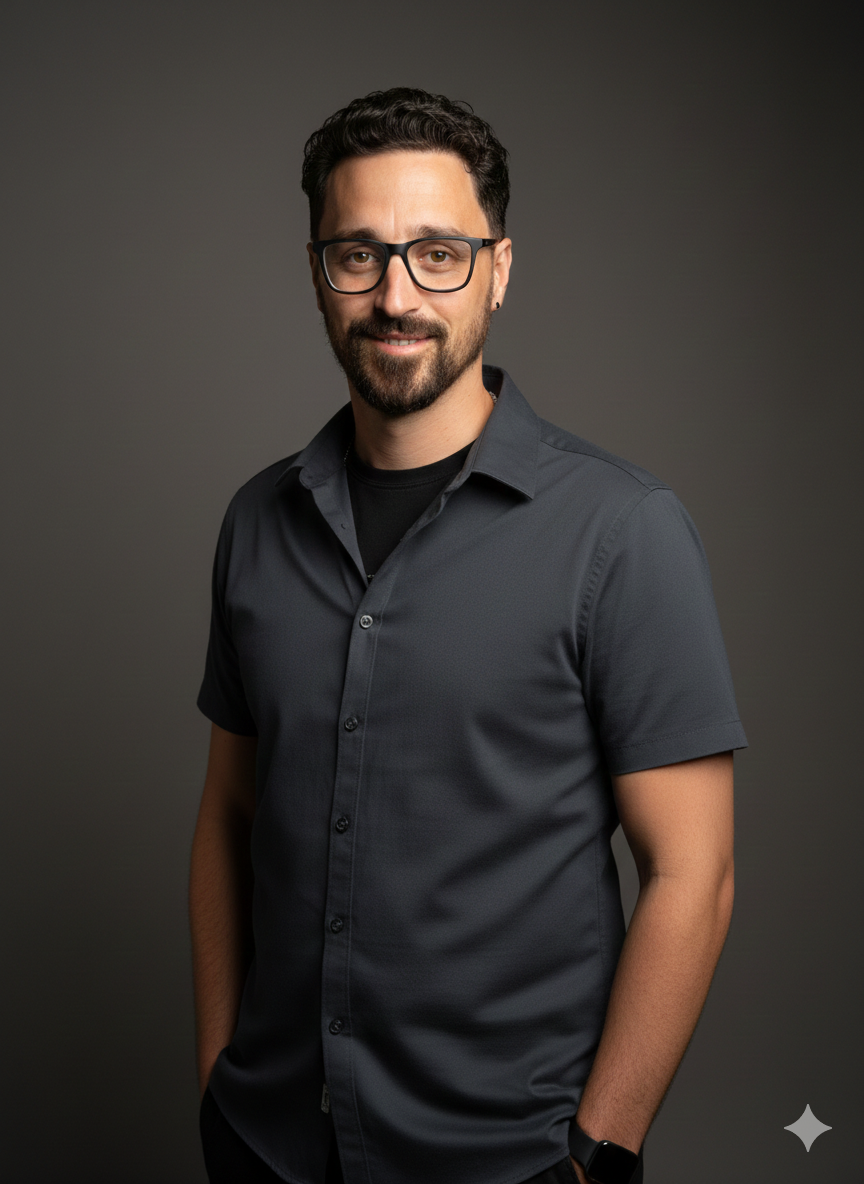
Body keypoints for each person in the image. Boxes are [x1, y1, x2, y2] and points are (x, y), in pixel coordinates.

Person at [189, 87, 746, 1184]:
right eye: (359, 253)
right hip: (272, 1147)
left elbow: (697, 869)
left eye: (437, 253)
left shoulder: (623, 532)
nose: (396, 294)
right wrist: (218, 1074)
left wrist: (600, 1151)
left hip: (509, 1159)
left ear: (497, 266)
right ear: (316, 271)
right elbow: (228, 816)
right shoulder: (257, 520)